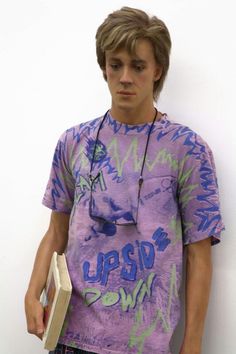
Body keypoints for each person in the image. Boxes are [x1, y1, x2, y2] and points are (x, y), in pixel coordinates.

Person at [24, 6, 225, 354]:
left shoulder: (187, 149)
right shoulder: (74, 142)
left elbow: (199, 254)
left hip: (145, 343)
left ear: (158, 70)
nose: (125, 77)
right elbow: (56, 230)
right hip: (70, 337)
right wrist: (32, 291)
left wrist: (193, 341)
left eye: (138, 66)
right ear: (104, 67)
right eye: (115, 65)